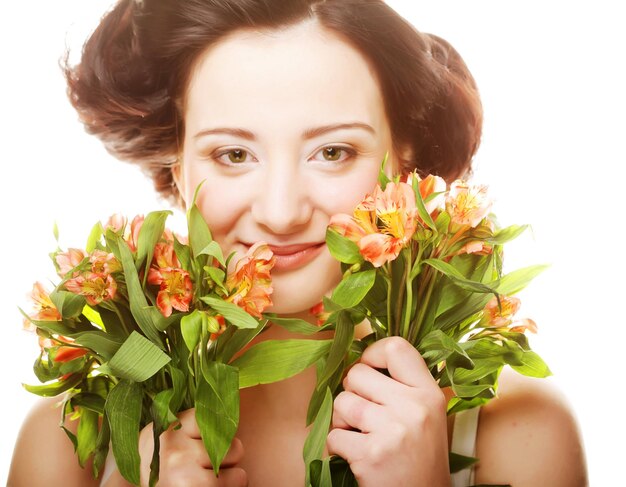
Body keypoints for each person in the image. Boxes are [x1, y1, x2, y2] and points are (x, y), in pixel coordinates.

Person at [9, 1, 587, 486]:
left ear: (404, 158)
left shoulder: (518, 429)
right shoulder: (69, 447)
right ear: (177, 168)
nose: (281, 212)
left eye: (332, 152)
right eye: (234, 155)